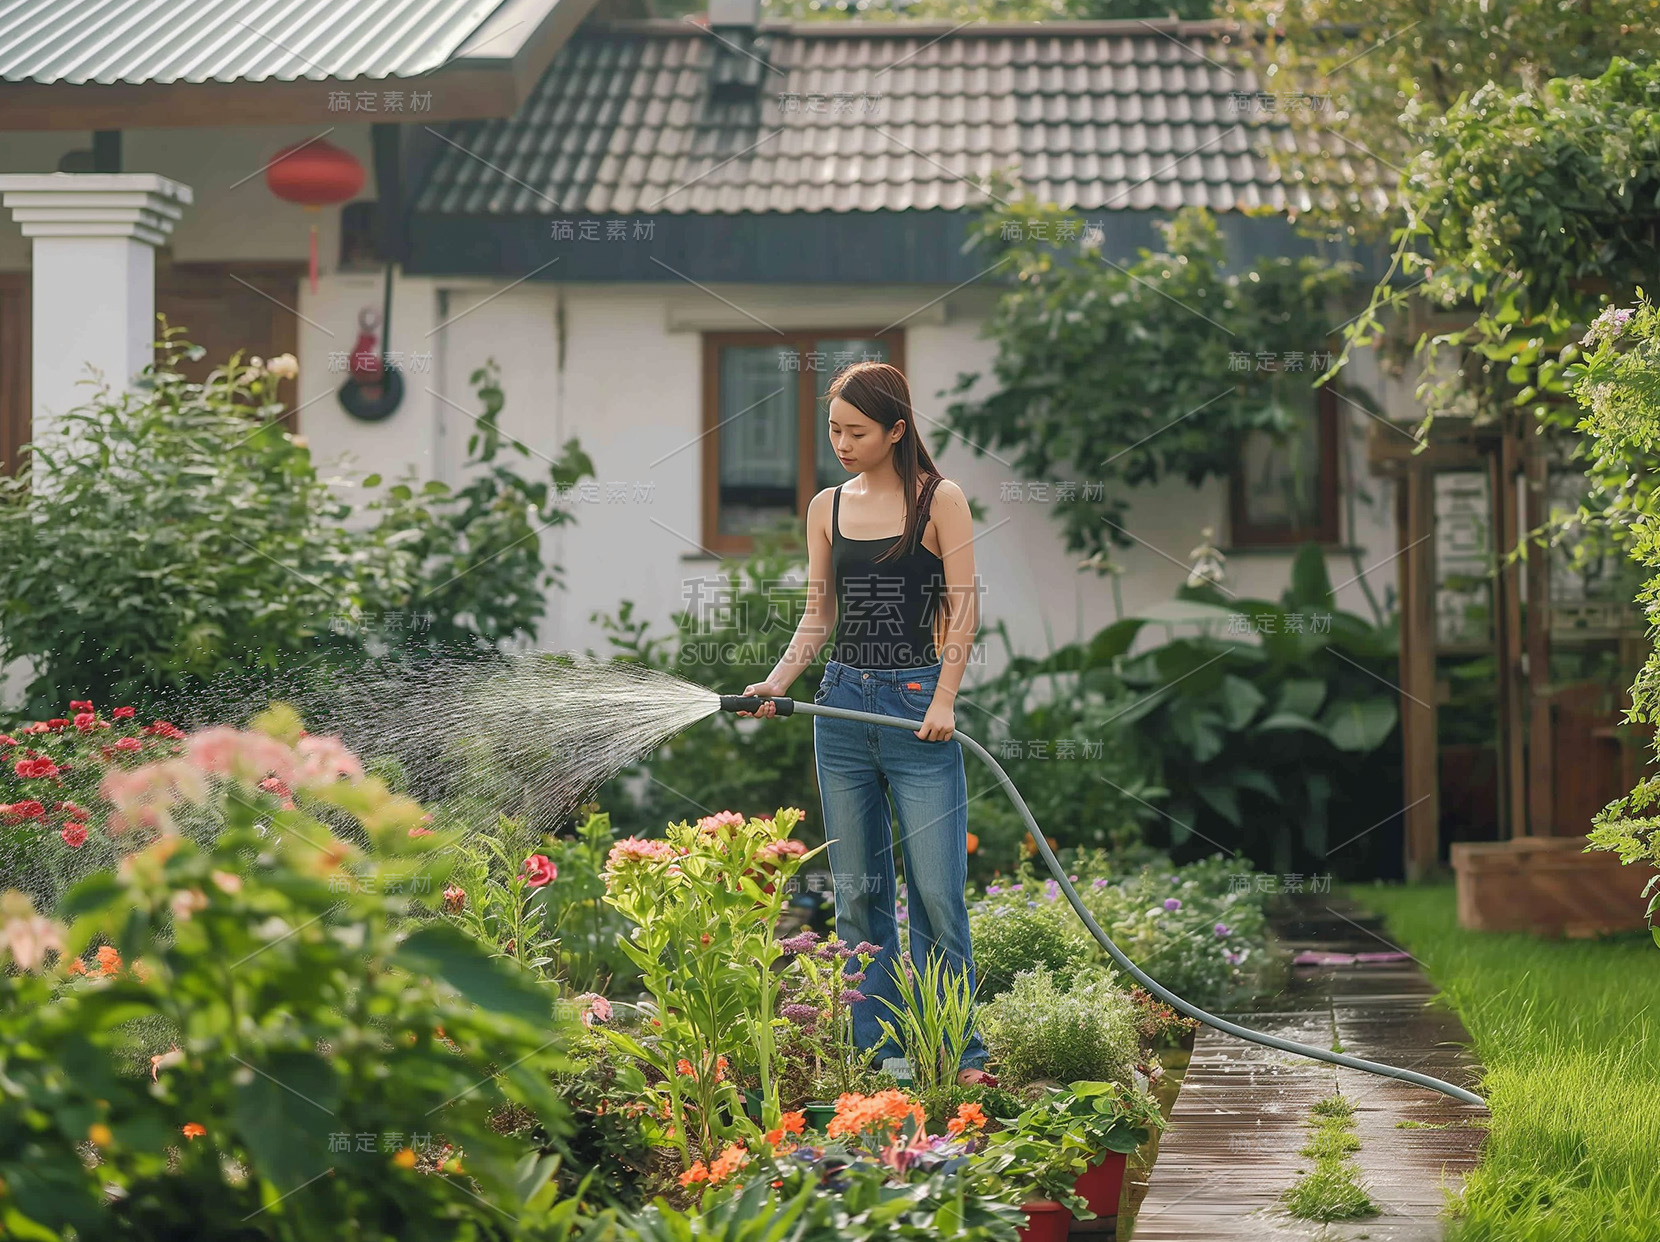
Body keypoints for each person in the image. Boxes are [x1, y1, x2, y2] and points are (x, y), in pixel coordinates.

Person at [739, 361, 995, 1088]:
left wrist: (945, 697)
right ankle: (881, 1058)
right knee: (858, 892)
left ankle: (957, 1055)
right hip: (841, 710)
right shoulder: (827, 506)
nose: (842, 443)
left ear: (896, 430)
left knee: (939, 895)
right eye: (834, 430)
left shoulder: (939, 501)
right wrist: (778, 681)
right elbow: (818, 615)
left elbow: (963, 607)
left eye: (856, 431)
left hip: (918, 711)